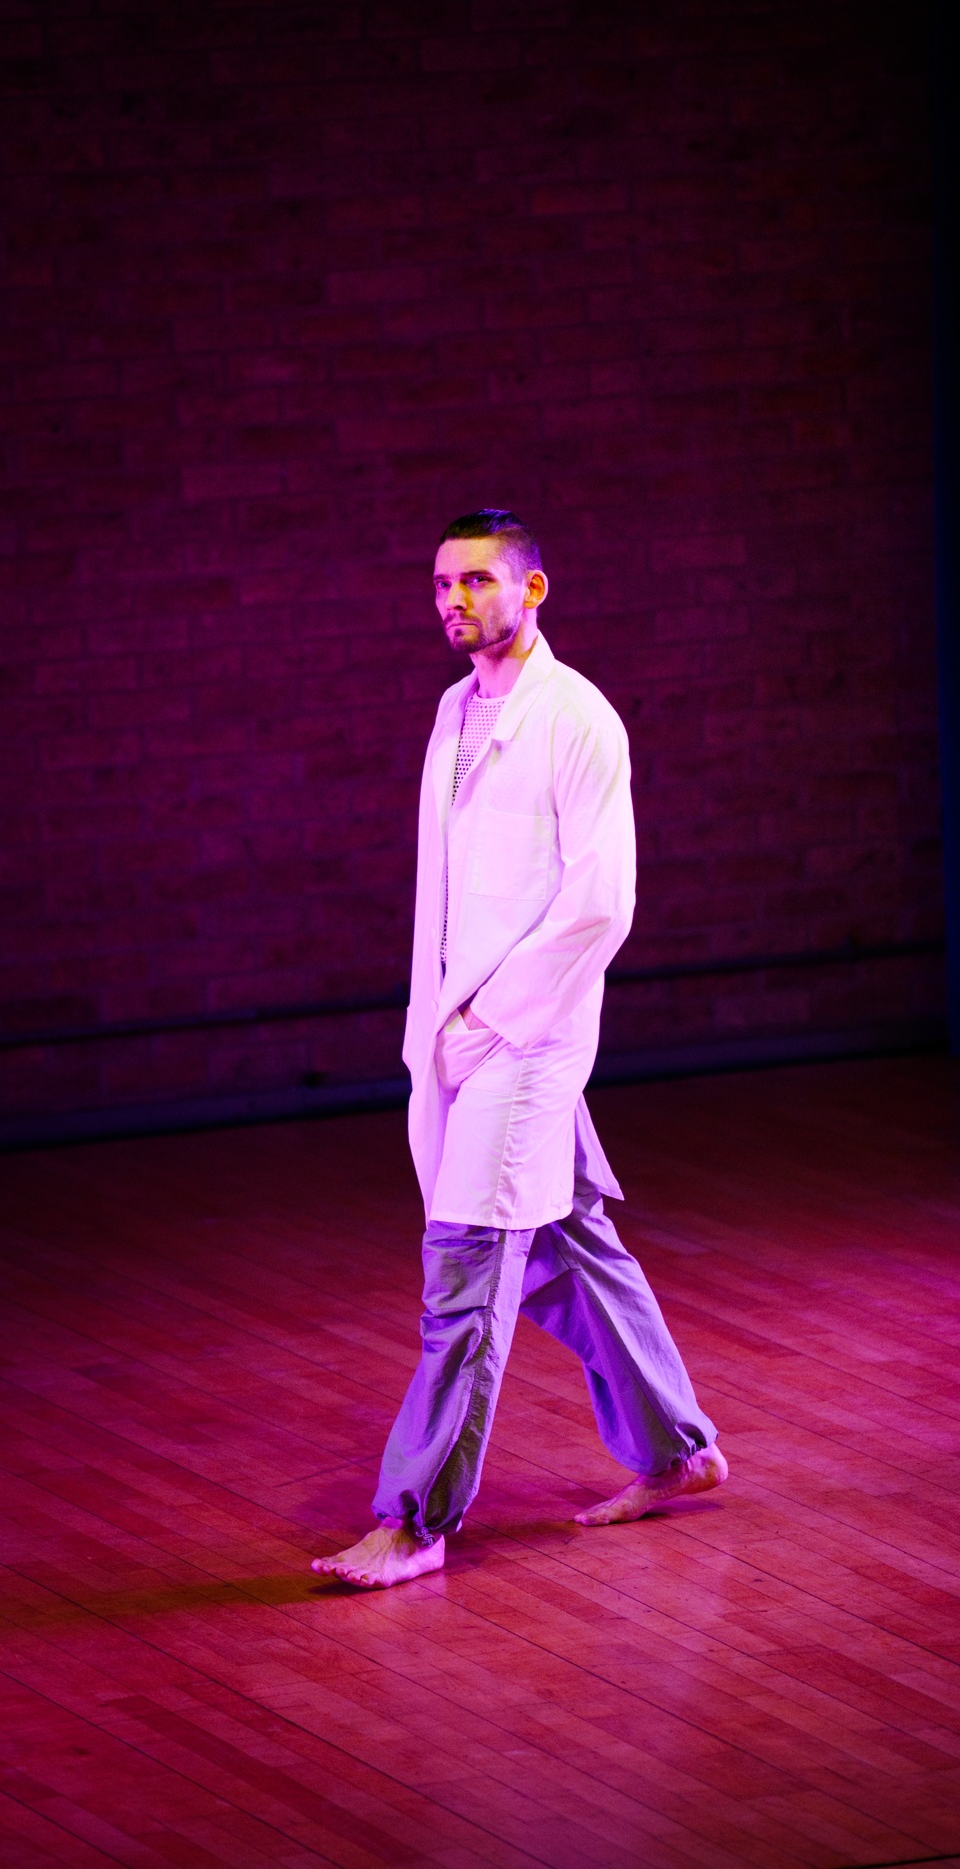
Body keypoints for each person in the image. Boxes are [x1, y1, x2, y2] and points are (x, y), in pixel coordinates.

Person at [312, 510, 725, 1590]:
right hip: (460, 1034)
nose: (454, 600)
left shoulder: (576, 718)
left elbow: (602, 902)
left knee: (463, 1284)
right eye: (441, 584)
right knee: (567, 1248)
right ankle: (677, 1447)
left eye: (477, 581)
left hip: (524, 1039)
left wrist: (492, 1020)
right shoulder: (454, 709)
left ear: (532, 589)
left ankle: (415, 1521)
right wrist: (445, 1029)